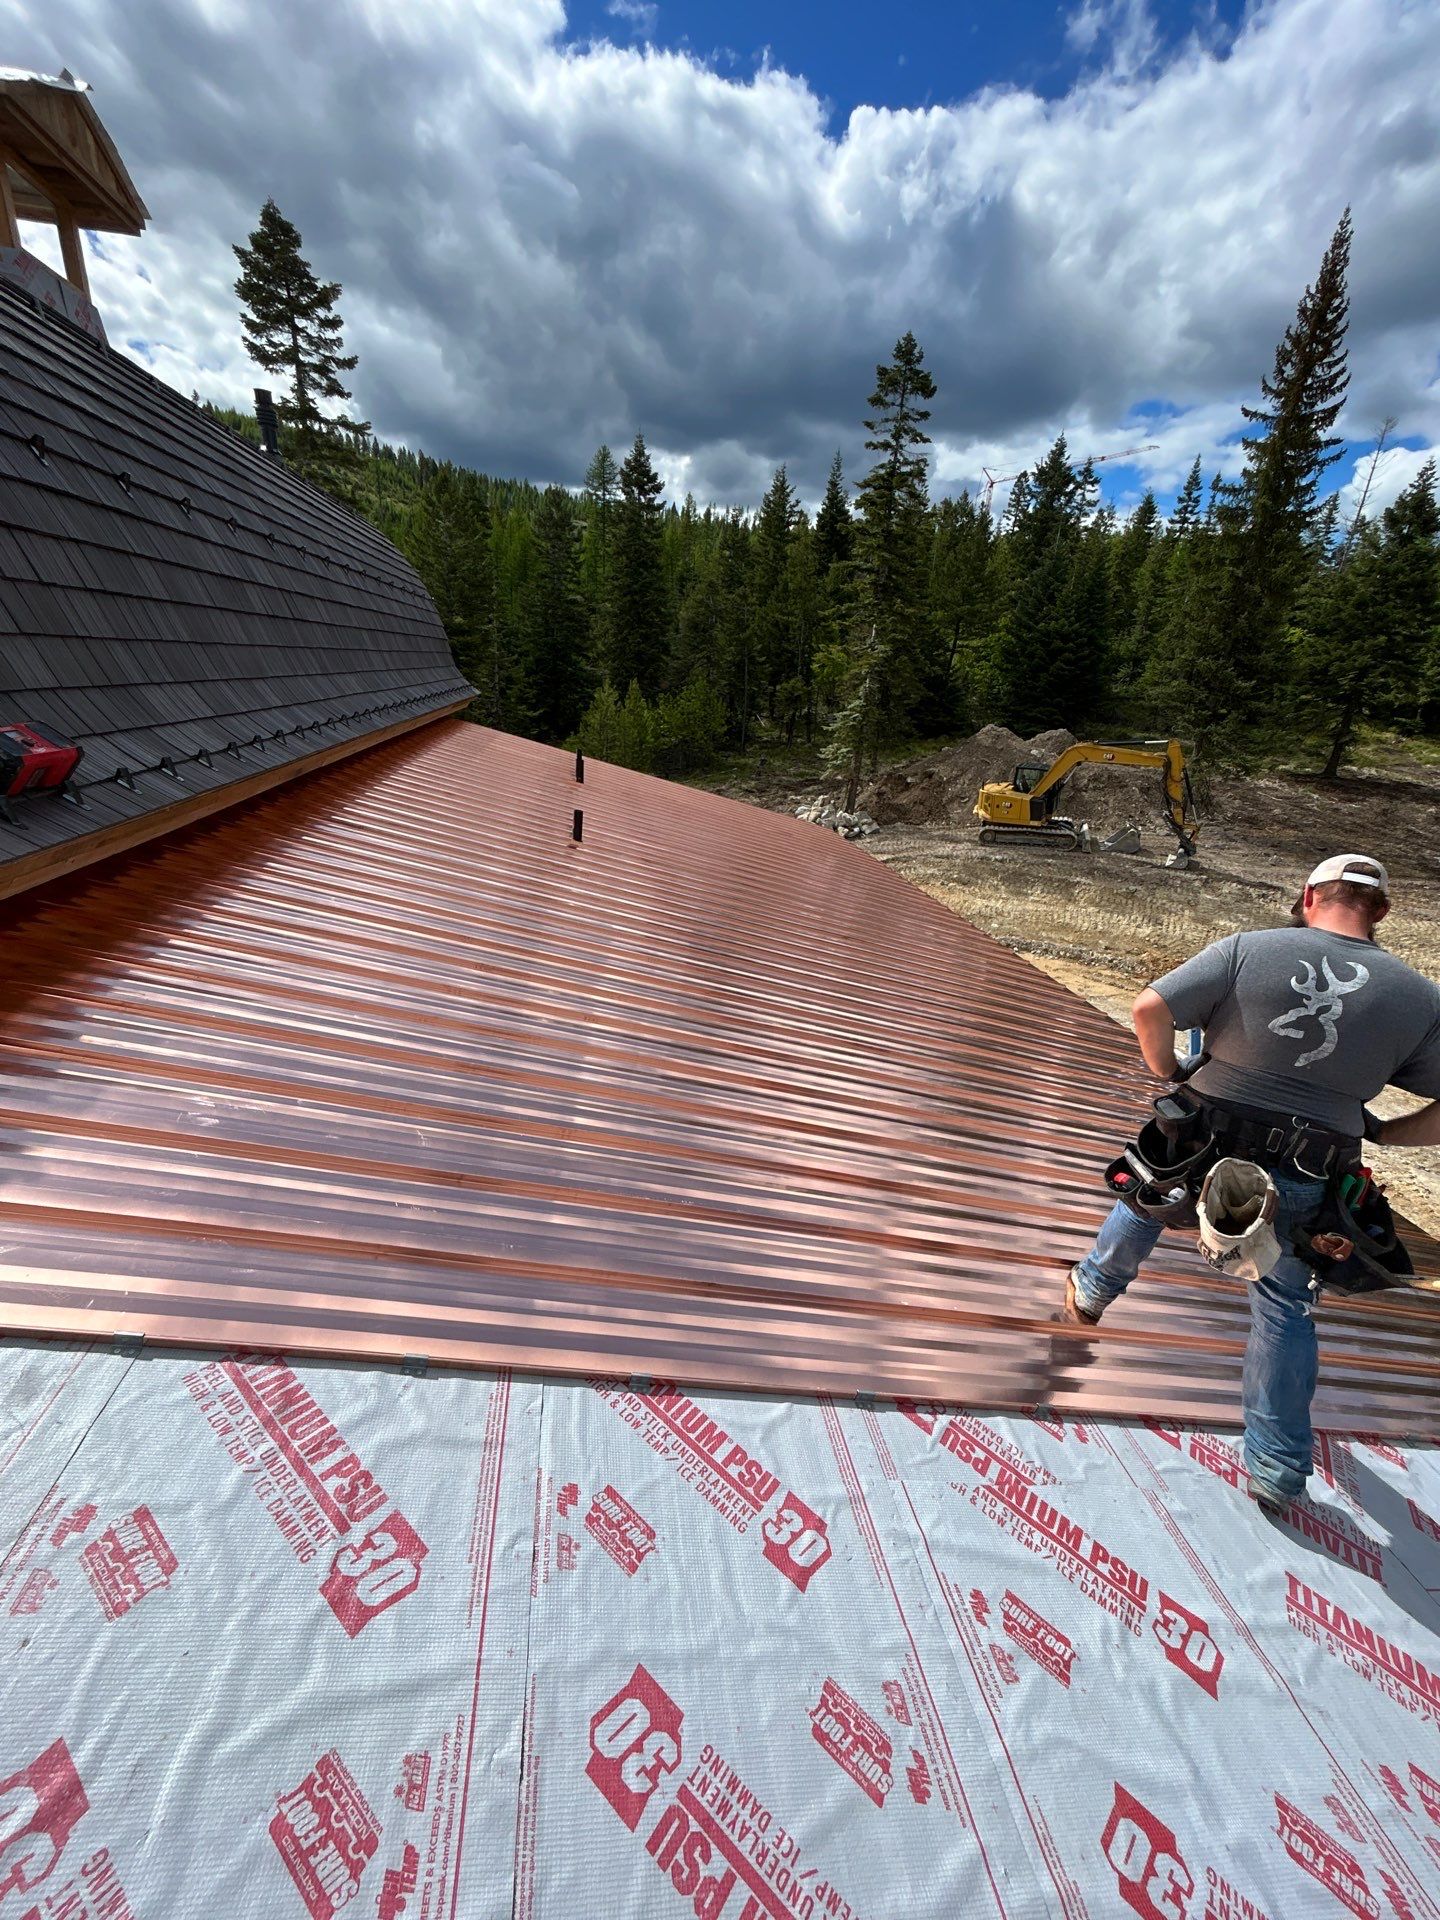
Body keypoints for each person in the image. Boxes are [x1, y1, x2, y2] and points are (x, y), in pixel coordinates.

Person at [1061, 854, 1440, 1510]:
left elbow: (1150, 1005)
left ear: (1308, 894)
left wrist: (1173, 1072)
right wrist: (1384, 1132)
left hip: (1200, 1141)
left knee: (1147, 1197)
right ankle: (1276, 1470)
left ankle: (1091, 1294)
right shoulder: (1419, 999)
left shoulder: (1248, 949)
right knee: (1284, 1309)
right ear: (1380, 911)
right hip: (1307, 1166)